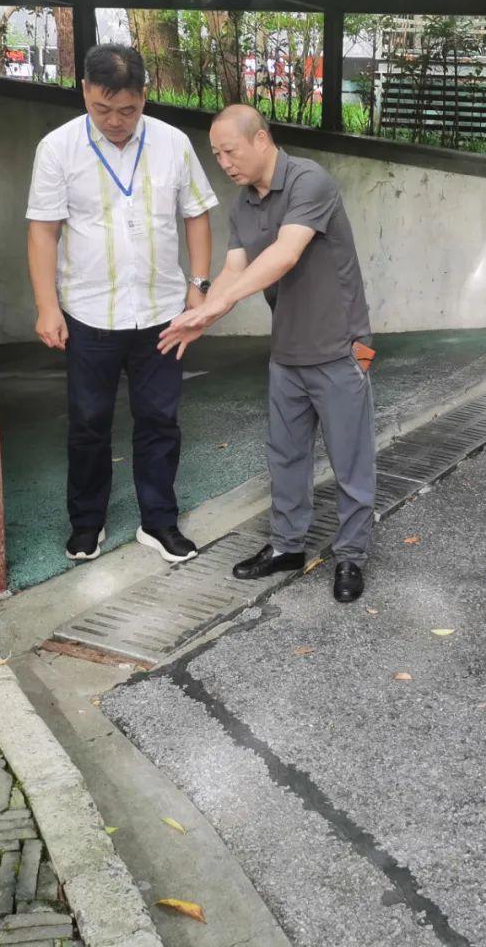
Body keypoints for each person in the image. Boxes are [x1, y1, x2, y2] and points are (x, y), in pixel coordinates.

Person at [158, 105, 375, 604]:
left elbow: (284, 254)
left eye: (229, 151)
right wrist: (203, 316)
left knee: (351, 459)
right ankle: (287, 547)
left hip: (341, 348)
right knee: (286, 456)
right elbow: (235, 268)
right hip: (289, 351)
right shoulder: (243, 204)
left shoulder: (309, 182)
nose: (224, 162)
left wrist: (219, 305)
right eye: (216, 154)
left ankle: (350, 556)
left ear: (261, 140)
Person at [26, 43, 217, 565]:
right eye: (103, 108)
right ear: (85, 91)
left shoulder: (173, 143)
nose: (115, 121)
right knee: (88, 422)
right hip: (90, 312)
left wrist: (198, 288)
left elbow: (197, 215)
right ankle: (87, 524)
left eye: (128, 110)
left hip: (161, 310)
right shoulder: (58, 148)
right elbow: (43, 233)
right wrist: (47, 306)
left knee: (160, 419)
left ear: (144, 98)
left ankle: (159, 523)